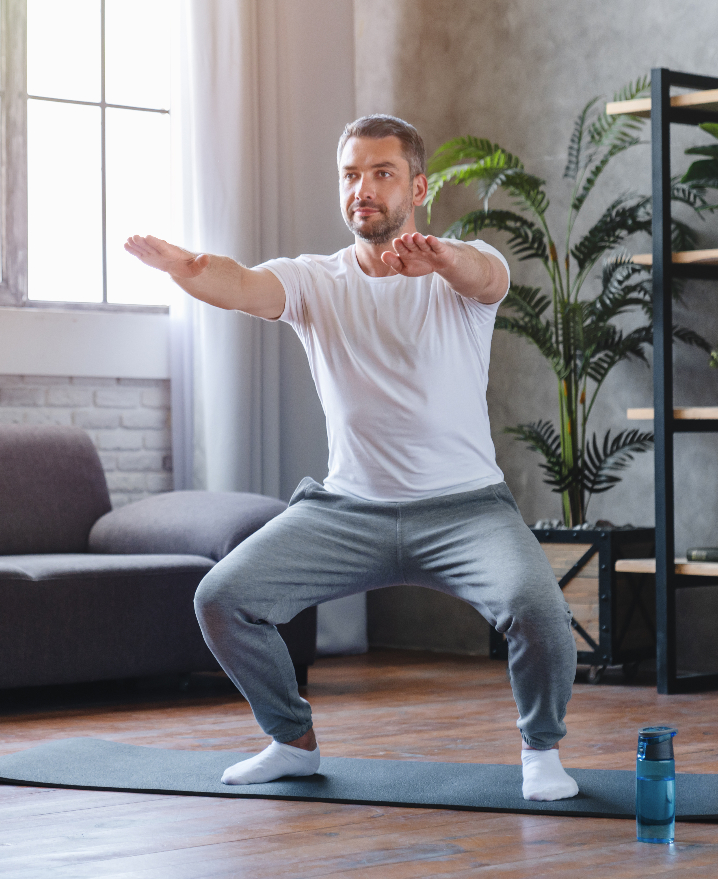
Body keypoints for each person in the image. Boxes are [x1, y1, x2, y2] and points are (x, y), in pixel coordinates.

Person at [124, 114, 579, 802]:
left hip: (465, 511)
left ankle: (541, 753)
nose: (362, 188)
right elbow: (242, 283)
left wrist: (444, 260)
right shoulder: (316, 281)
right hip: (348, 511)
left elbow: (489, 276)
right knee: (223, 598)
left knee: (538, 610)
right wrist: (186, 268)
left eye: (382, 173)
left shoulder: (455, 271)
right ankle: (292, 742)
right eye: (350, 174)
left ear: (417, 186)